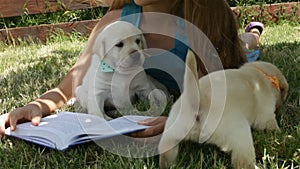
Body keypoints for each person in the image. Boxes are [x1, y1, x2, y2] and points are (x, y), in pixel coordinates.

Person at [0, 0, 259, 138]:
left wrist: (181, 121)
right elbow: (71, 82)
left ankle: (254, 33)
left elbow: (221, 95)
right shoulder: (116, 22)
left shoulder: (204, 18)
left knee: (248, 48)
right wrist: (38, 105)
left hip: (229, 48)